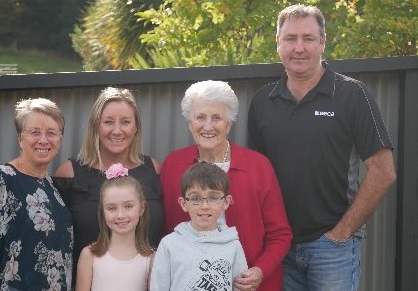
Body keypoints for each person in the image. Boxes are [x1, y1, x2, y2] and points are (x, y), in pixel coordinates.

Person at [247, 4, 396, 291]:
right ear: (278, 43)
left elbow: (383, 171)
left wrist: (342, 233)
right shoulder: (263, 101)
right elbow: (257, 176)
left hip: (332, 249)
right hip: (279, 246)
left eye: (308, 38)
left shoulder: (352, 94)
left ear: (323, 42)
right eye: (290, 39)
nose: (299, 48)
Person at [160, 80, 292, 291]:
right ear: (190, 123)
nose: (208, 126)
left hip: (251, 286)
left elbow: (280, 234)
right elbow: (164, 230)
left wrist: (260, 271)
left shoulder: (258, 166)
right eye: (200, 117)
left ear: (229, 124)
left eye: (217, 118)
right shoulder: (173, 166)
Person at [53, 87, 163, 285]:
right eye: (108, 122)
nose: (117, 130)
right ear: (96, 126)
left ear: (136, 127)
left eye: (126, 122)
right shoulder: (69, 173)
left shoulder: (153, 169)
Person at [0, 98, 73, 290]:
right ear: (20, 137)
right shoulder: (2, 180)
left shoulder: (52, 187)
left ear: (60, 139)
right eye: (34, 132)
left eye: (51, 133)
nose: (43, 140)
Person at [151, 162, 248, 290]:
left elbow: (241, 288)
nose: (205, 206)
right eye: (196, 198)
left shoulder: (233, 245)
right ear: (184, 203)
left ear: (226, 202)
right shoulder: (169, 244)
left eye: (213, 198)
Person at [75, 163, 154, 291]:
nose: (120, 215)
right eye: (112, 208)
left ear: (142, 208)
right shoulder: (90, 255)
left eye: (128, 206)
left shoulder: (151, 259)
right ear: (103, 211)